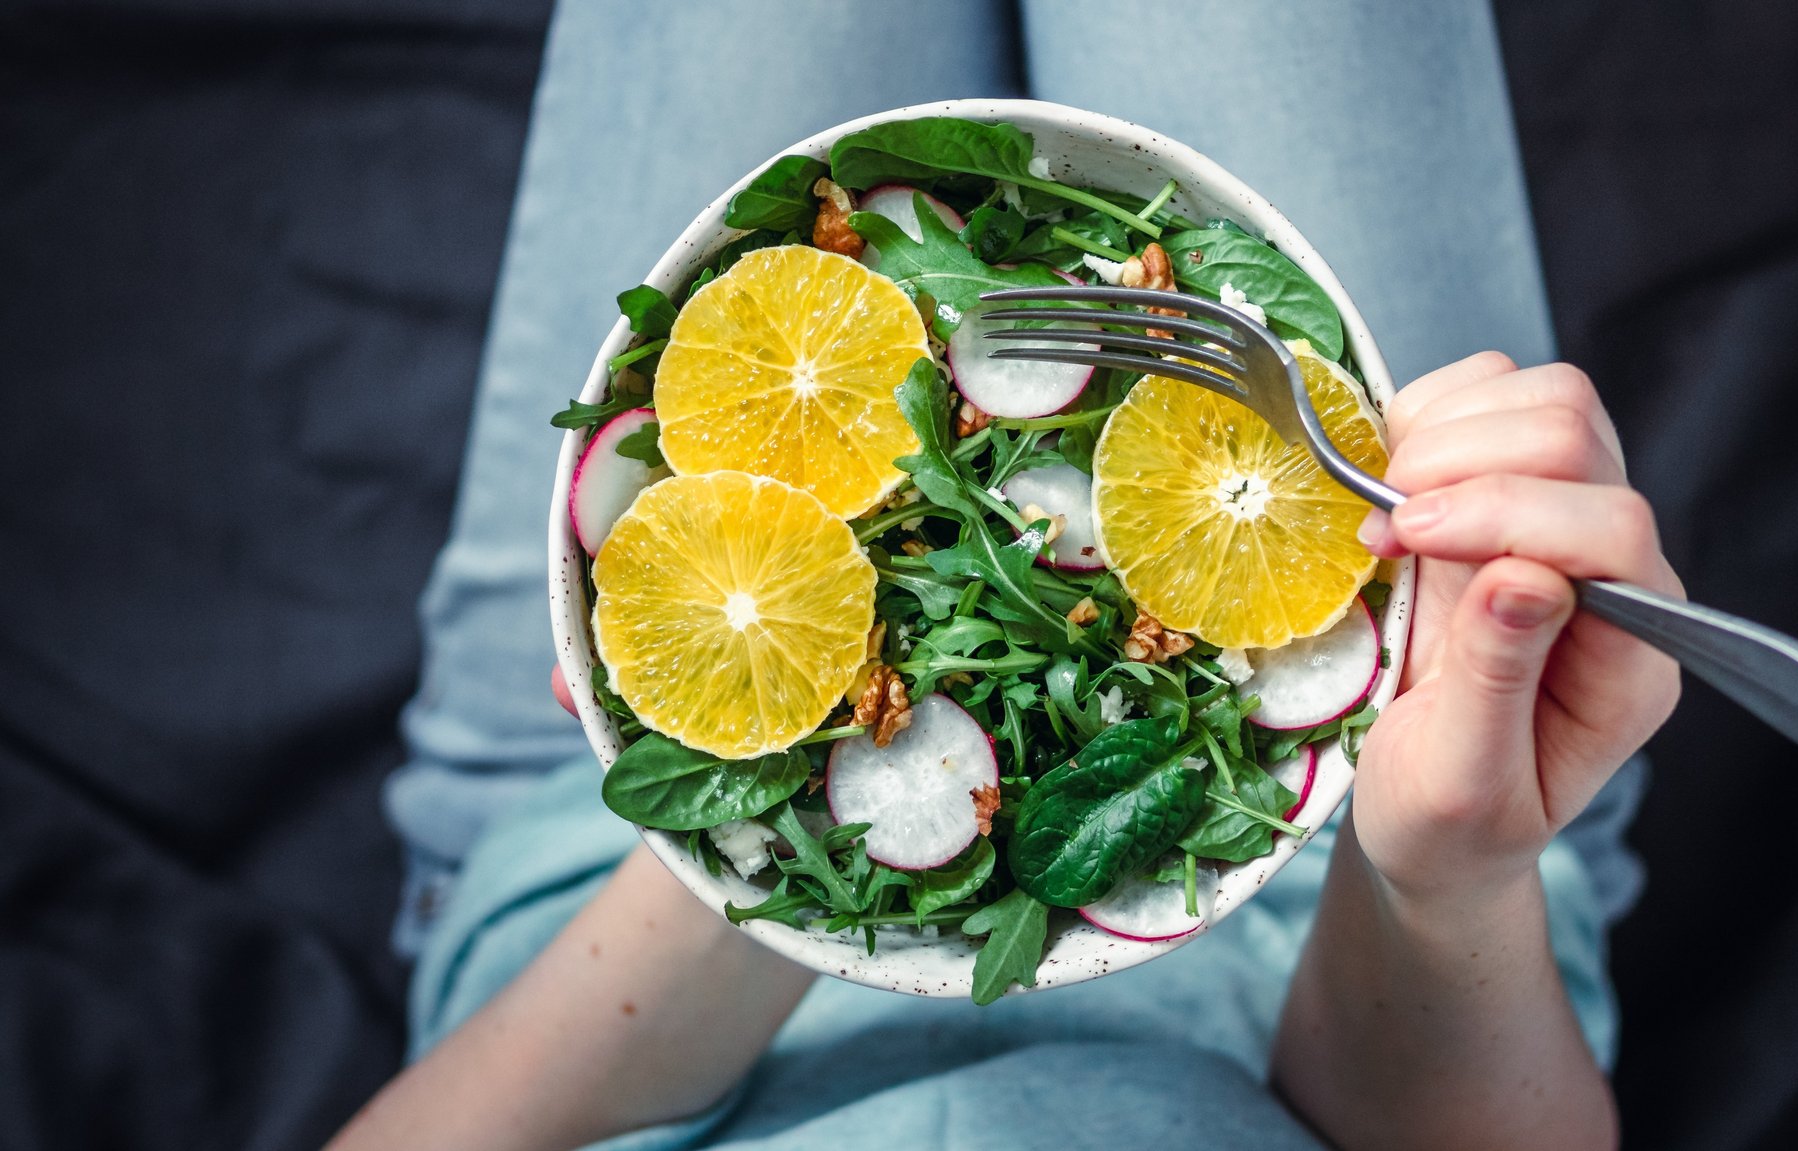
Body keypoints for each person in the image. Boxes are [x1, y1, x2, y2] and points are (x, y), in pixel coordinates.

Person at [328, 3, 1675, 1148]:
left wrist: (742, 827)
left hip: (596, 929)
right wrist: (1444, 878)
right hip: (1374, 832)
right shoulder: (1424, 843)